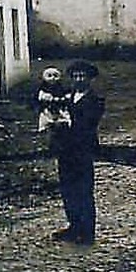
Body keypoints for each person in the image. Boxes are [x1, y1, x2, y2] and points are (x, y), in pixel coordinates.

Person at [51, 59, 105, 245]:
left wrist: (68, 124)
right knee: (68, 189)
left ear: (90, 79)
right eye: (75, 76)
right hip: (65, 150)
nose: (79, 79)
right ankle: (74, 226)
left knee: (84, 190)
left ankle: (87, 231)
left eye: (83, 76)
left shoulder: (95, 100)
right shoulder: (67, 97)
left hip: (82, 150)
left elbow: (88, 124)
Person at [34, 66, 70, 132]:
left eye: (55, 76)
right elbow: (38, 99)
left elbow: (67, 96)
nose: (53, 78)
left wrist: (62, 99)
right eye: (49, 76)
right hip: (47, 111)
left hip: (60, 110)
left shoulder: (62, 88)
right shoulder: (43, 89)